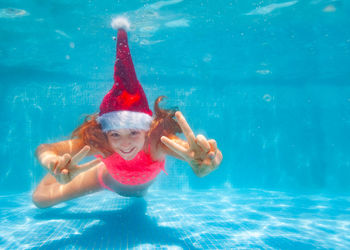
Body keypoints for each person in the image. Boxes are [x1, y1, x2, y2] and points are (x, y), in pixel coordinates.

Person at [32, 18, 223, 209]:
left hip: (138, 187)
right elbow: (44, 148)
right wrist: (54, 163)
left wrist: (207, 160)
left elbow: (196, 154)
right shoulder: (102, 143)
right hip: (105, 180)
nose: (125, 144)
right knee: (40, 200)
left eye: (133, 132)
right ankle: (68, 168)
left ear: (146, 129)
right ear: (106, 133)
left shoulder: (157, 140)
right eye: (115, 134)